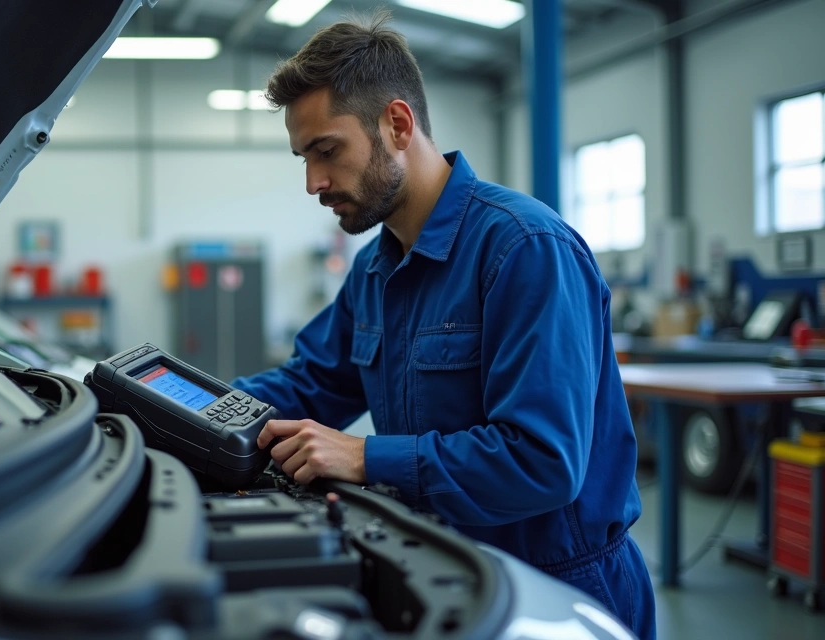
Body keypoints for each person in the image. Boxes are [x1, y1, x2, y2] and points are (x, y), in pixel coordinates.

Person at [230, 12, 656, 639]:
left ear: (397, 125)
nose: (313, 182)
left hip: (560, 585)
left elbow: (542, 461)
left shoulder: (523, 249)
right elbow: (308, 384)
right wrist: (171, 407)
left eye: (327, 151)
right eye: (304, 157)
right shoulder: (375, 271)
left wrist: (366, 457)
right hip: (450, 570)